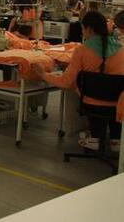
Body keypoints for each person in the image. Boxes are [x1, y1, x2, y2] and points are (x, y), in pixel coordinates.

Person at [34, 11, 124, 151]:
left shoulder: (82, 50)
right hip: (118, 103)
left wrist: (43, 74)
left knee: (80, 91)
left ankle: (94, 137)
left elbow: (66, 82)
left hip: (91, 101)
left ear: (89, 29)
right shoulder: (121, 50)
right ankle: (116, 140)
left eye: (83, 29)